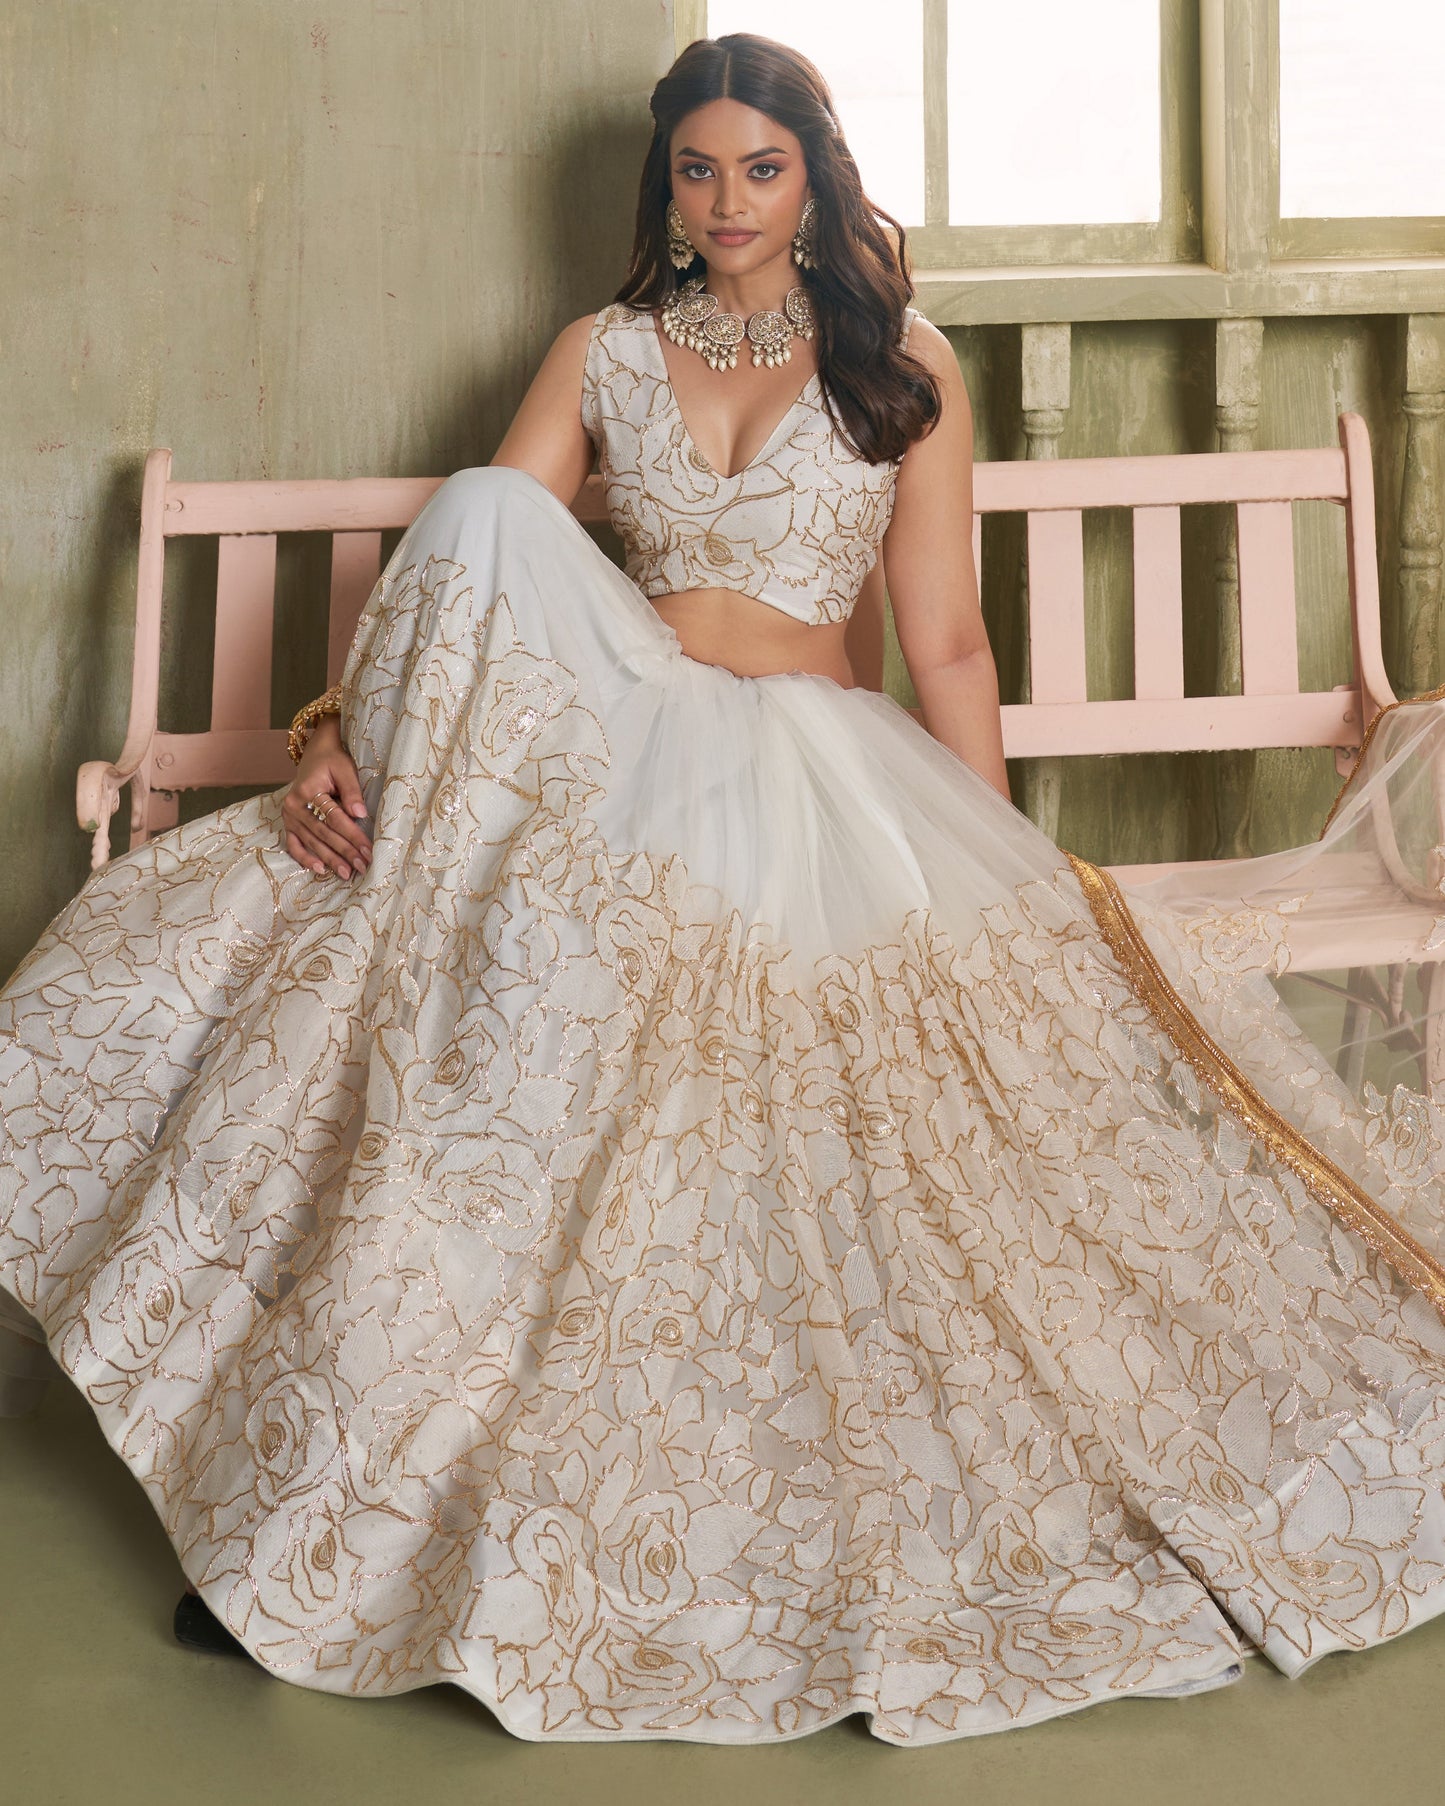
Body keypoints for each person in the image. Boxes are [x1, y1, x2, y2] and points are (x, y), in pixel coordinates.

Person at [3, 29, 1445, 1748]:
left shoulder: (901, 365)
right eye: (697, 170)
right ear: (664, 187)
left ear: (813, 177)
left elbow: (948, 643)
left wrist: (998, 885)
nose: (729, 200)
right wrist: (333, 728)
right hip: (616, 746)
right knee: (481, 565)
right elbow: (480, 572)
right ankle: (322, 1520)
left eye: (761, 167)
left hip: (815, 766)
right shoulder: (605, 349)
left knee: (738, 1106)